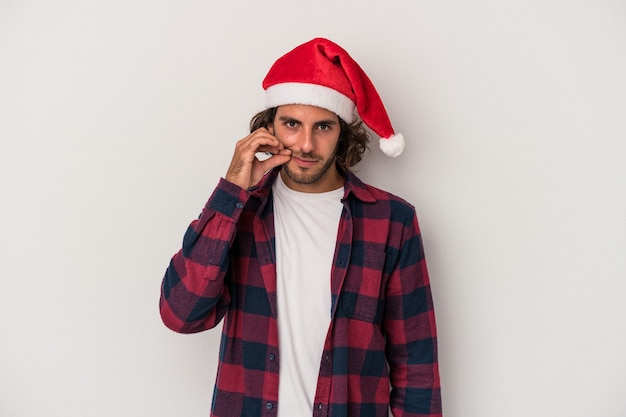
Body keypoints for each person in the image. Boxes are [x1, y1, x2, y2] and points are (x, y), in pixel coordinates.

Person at [159, 37, 442, 417]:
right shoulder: (240, 215)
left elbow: (416, 366)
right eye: (292, 124)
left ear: (343, 131)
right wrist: (231, 192)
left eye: (323, 126)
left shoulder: (392, 220)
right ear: (269, 127)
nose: (306, 144)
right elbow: (181, 314)